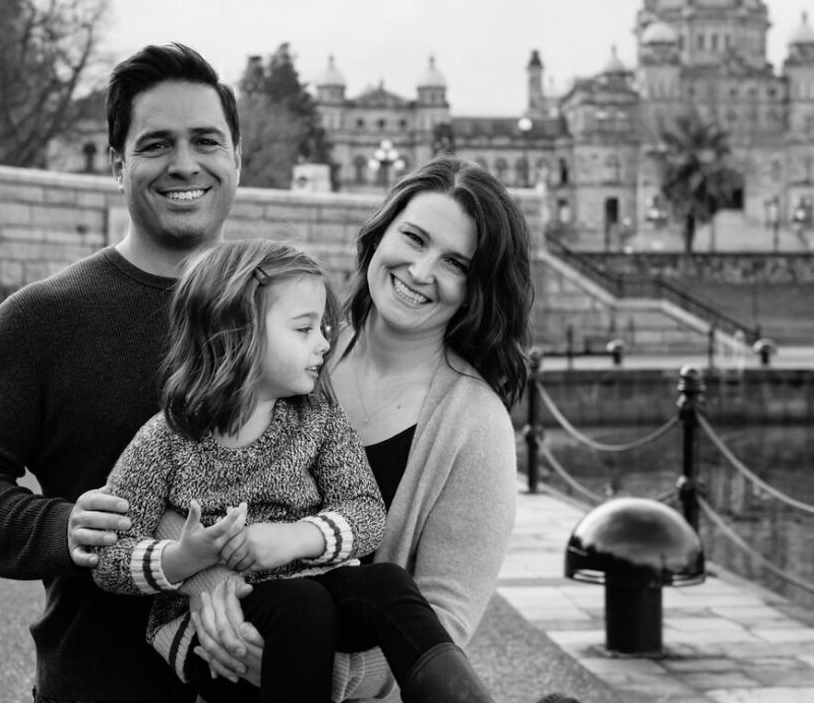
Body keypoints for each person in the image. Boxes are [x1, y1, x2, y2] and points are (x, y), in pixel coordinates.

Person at [0, 42, 242, 703]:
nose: (185, 163)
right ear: (117, 164)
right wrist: (59, 526)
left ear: (236, 157)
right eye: (156, 144)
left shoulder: (288, 310)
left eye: (206, 140)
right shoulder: (41, 319)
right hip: (100, 683)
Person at [94, 238, 522, 703]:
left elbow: (365, 511)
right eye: (304, 330)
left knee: (385, 584)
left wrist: (297, 537)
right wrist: (182, 559)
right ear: (237, 334)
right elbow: (110, 557)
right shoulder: (165, 439)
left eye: (323, 327)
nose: (324, 343)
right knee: (303, 607)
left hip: (308, 581)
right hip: (211, 627)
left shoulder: (316, 415)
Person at [189, 156, 542, 701]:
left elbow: (441, 617)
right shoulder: (280, 351)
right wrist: (206, 586)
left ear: (477, 289)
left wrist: (304, 666)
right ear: (380, 234)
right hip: (221, 663)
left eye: (456, 263)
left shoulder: (475, 425)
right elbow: (170, 472)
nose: (422, 272)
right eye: (414, 238)